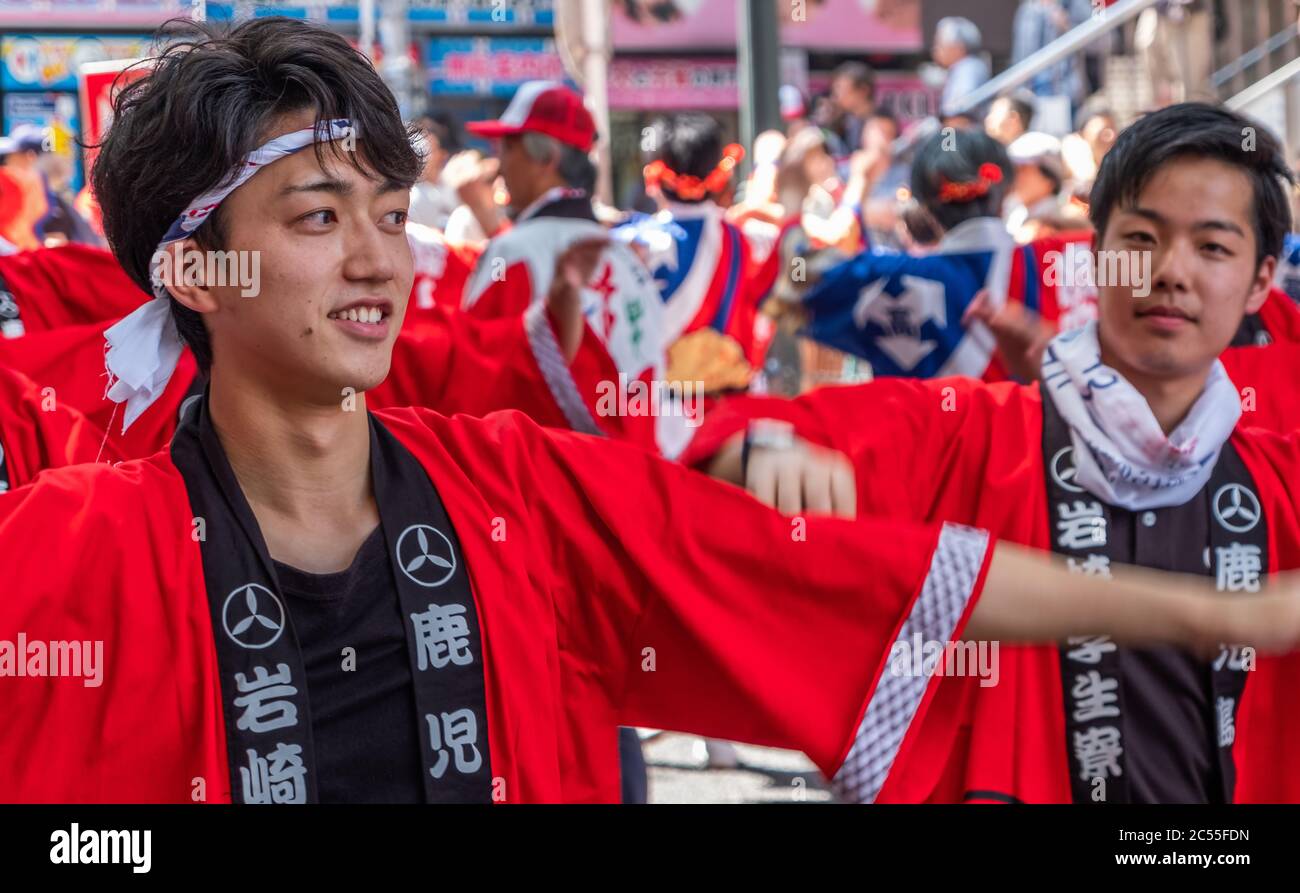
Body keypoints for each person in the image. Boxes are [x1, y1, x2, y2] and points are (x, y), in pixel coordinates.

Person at [2, 18, 1286, 807]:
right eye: (321, 218)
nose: (381, 261)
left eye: (392, 216)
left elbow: (851, 572)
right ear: (193, 268)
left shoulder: (516, 492)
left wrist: (1219, 614)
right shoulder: (63, 555)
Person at [686, 102, 1300, 803]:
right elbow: (730, 435)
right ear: (1094, 253)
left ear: (1261, 278)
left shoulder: (1277, 478)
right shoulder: (975, 436)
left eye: (1214, 246)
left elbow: (800, 283)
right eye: (1142, 238)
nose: (1169, 272)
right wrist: (760, 449)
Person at [459, 81, 666, 444]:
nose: (499, 164)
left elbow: (468, 385)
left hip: (541, 482)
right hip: (633, 479)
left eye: (508, 147)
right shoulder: (626, 259)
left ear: (546, 157)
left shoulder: (513, 254)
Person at [932, 16, 990, 125]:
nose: (936, 49)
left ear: (958, 47)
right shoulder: (960, 68)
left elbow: (958, 114)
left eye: (940, 44)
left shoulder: (969, 68)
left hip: (967, 138)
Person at [829, 62, 875, 156]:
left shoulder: (880, 123)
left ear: (863, 90)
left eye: (840, 88)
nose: (835, 95)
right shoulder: (845, 120)